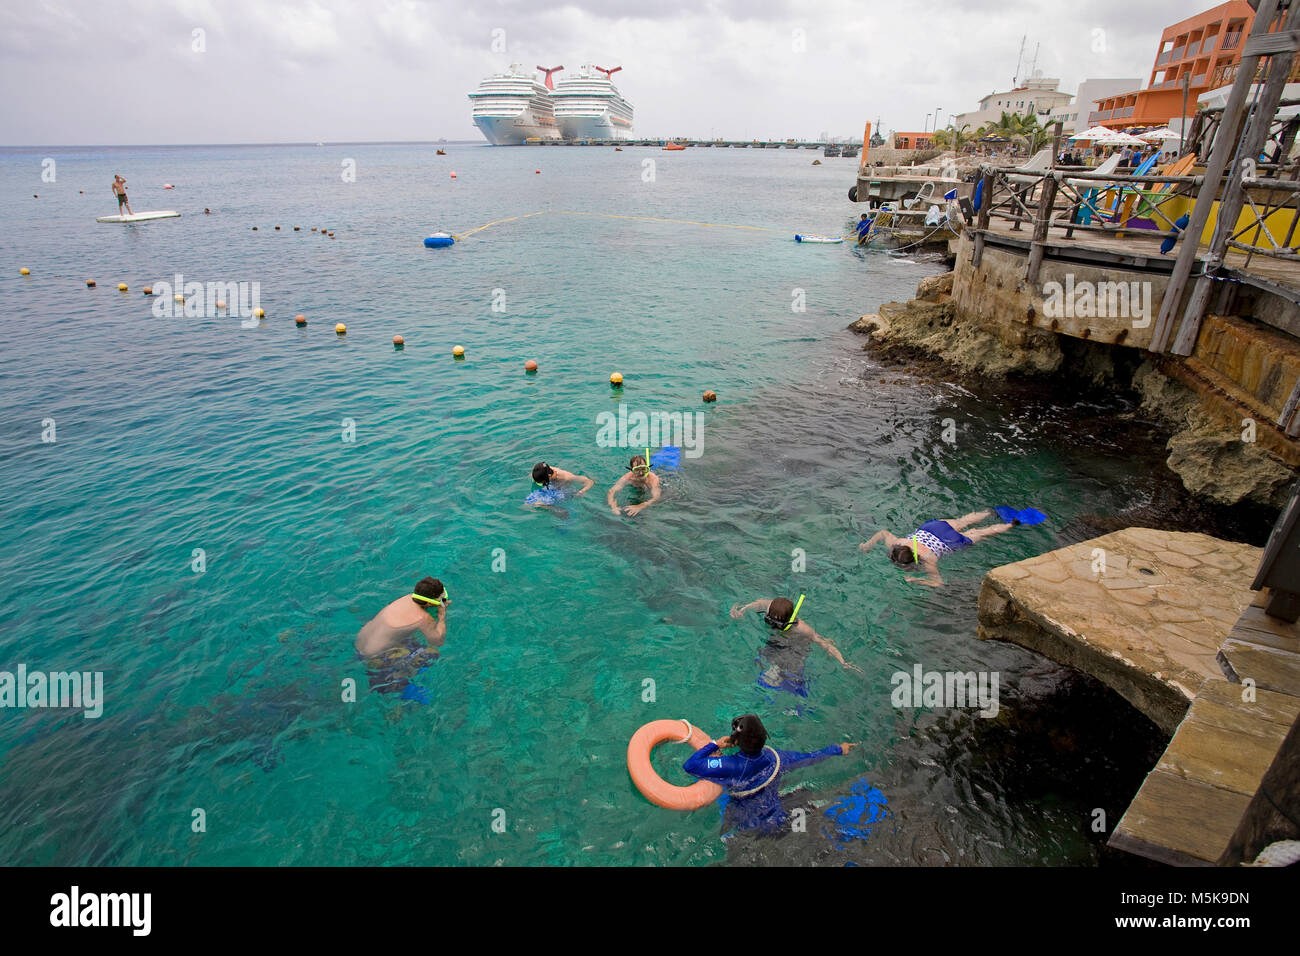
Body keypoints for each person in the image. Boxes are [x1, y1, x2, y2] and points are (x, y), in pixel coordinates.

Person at [682, 714, 856, 834]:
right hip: (777, 818)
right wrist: (839, 749)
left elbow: (690, 765)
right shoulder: (778, 758)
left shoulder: (730, 766)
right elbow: (811, 757)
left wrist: (715, 744)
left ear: (735, 741)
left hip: (746, 824)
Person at [730, 595, 861, 695]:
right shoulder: (769, 606)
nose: (773, 626)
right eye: (769, 621)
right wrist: (742, 610)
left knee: (791, 673)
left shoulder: (802, 629)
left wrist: (842, 662)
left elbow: (824, 643)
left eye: (777, 625)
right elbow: (758, 604)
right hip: (776, 642)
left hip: (796, 646)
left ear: (789, 621)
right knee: (762, 660)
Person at [859, 509, 1020, 587]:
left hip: (947, 541)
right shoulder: (899, 543)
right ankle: (987, 512)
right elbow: (883, 533)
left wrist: (917, 580)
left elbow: (939, 583)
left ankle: (1010, 524)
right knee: (963, 521)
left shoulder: (928, 561)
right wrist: (867, 545)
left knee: (981, 533)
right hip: (934, 528)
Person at [355, 576, 449, 700]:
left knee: (409, 642)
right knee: (433, 653)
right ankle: (401, 691)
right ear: (428, 603)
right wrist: (442, 616)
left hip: (360, 642)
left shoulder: (406, 598)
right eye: (440, 600)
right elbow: (438, 641)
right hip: (375, 657)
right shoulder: (423, 618)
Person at [606, 452, 662, 517]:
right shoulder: (628, 477)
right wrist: (613, 506)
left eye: (643, 469)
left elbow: (656, 497)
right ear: (631, 470)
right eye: (637, 470)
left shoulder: (653, 479)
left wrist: (641, 506)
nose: (641, 473)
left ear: (647, 468)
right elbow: (612, 491)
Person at [525, 461, 593, 511]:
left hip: (565, 490)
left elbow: (589, 482)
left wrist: (581, 492)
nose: (542, 485)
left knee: (535, 504)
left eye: (542, 483)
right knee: (530, 504)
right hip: (553, 488)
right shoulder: (541, 471)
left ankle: (554, 509)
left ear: (549, 476)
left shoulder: (567, 477)